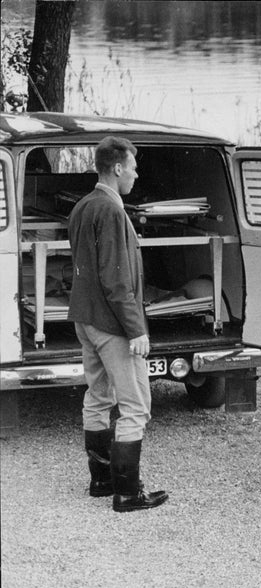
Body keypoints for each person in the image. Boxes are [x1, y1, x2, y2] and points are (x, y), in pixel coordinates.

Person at [68, 136, 168, 512]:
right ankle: (127, 492)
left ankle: (101, 480)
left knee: (97, 397)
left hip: (86, 318)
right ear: (117, 168)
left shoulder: (82, 206)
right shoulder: (111, 211)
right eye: (134, 168)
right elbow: (116, 278)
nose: (136, 175)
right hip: (111, 323)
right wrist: (136, 329)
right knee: (136, 405)